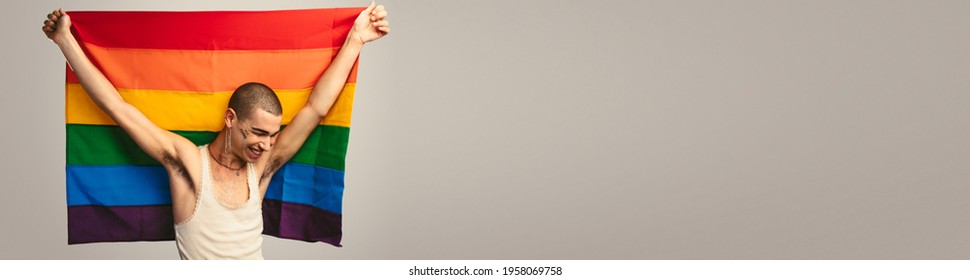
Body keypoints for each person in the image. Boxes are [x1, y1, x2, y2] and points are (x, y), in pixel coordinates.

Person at [42, 2, 389, 260]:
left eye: (272, 135)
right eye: (257, 133)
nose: (267, 144)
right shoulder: (186, 164)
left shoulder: (262, 168)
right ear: (230, 119)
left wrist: (356, 40)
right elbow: (118, 109)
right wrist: (65, 42)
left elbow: (315, 109)